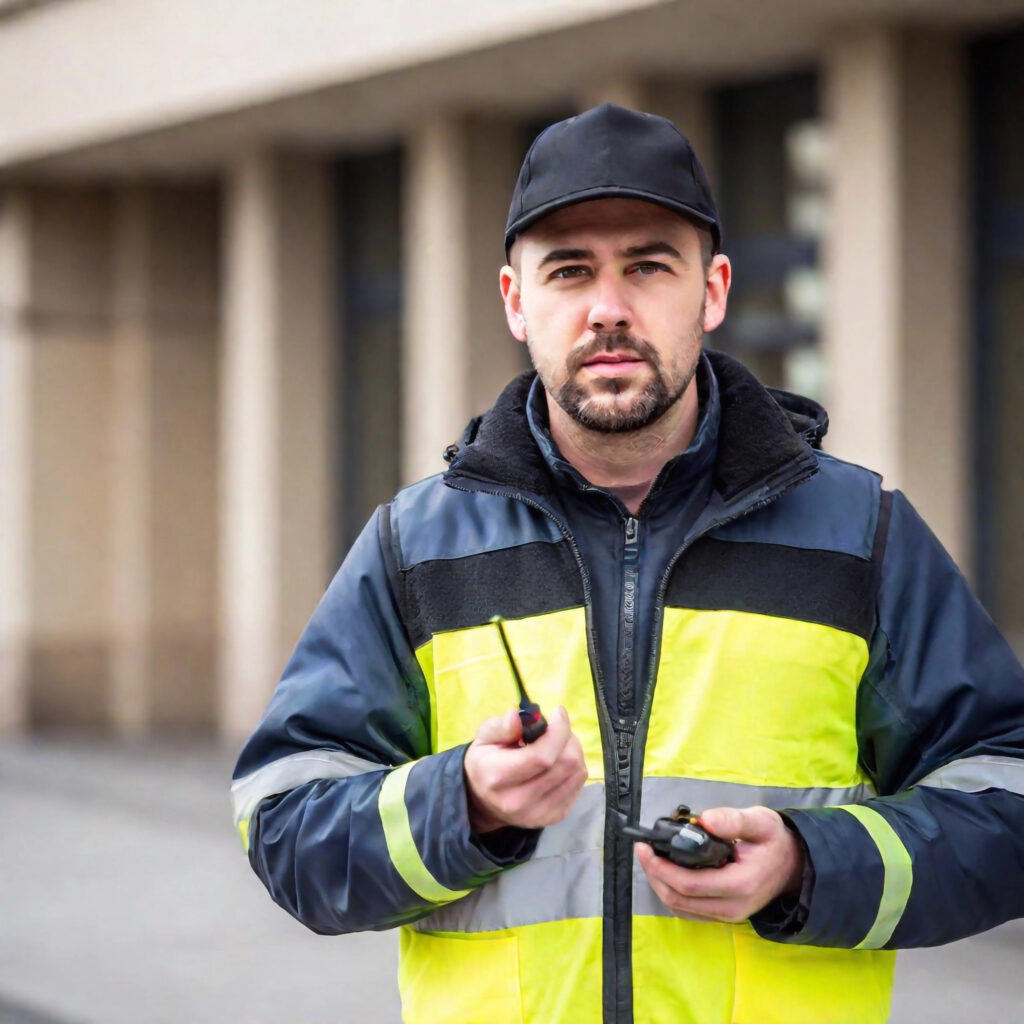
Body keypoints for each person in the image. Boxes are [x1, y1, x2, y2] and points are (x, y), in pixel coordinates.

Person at [231, 104, 1024, 1024]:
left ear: (714, 290)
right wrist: (465, 805)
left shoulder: (864, 534)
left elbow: (1006, 796)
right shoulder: (416, 544)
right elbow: (285, 824)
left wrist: (809, 864)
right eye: (569, 272)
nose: (608, 308)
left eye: (649, 265)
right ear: (516, 301)